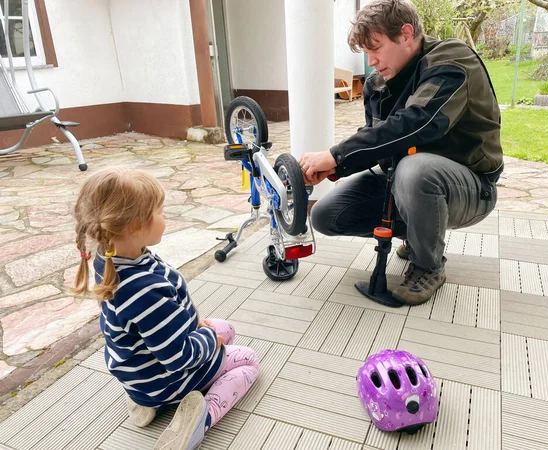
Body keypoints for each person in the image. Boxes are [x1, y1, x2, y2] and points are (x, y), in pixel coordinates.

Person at [299, 0, 503, 306]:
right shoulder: (377, 83)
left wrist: (337, 154)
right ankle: (422, 236)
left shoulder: (451, 60)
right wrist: (336, 167)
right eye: (366, 53)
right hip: (410, 179)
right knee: (326, 215)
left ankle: (428, 266)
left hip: (472, 186)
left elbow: (418, 124)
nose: (371, 61)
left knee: (415, 169)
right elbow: (380, 141)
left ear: (406, 34)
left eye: (376, 48)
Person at [71, 167, 260, 450]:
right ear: (135, 225)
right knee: (247, 360)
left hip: (138, 370)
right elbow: (179, 358)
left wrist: (197, 326)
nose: (165, 216)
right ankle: (200, 420)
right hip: (166, 376)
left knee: (225, 328)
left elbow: (161, 322)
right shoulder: (144, 291)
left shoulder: (110, 257)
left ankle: (147, 403)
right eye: (159, 211)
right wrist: (211, 339)